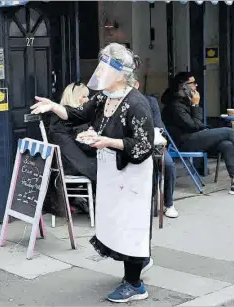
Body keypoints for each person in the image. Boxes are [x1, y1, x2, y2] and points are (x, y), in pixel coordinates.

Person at [31, 43, 154, 303]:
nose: (100, 70)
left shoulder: (136, 103)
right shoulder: (103, 97)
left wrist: (106, 142)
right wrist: (53, 106)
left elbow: (143, 146)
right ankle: (139, 260)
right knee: (117, 221)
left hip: (132, 172)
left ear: (120, 72)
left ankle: (135, 285)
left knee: (130, 223)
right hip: (111, 168)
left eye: (106, 65)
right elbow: (76, 115)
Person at [161, 72, 234, 197]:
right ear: (183, 86)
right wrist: (195, 105)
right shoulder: (175, 106)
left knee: (226, 144)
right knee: (229, 131)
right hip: (184, 142)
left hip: (194, 137)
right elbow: (194, 126)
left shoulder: (184, 101)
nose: (196, 85)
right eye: (193, 83)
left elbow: (196, 126)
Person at [48, 82, 97, 213]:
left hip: (62, 164)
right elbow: (84, 144)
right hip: (71, 164)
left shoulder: (59, 118)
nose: (87, 100)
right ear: (74, 97)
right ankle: (99, 205)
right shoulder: (71, 121)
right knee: (104, 166)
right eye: (84, 97)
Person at [134, 81, 178, 218]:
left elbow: (158, 126)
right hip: (129, 145)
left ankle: (169, 203)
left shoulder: (150, 101)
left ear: (137, 84)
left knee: (168, 164)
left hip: (153, 143)